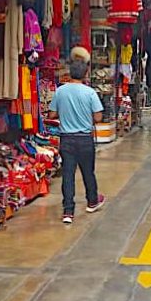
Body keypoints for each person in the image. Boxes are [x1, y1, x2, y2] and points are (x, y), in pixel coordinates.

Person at [49, 60, 106, 224]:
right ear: (86, 74)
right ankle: (92, 201)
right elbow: (98, 117)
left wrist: (65, 115)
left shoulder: (60, 92)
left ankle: (68, 211)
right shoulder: (90, 93)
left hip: (66, 139)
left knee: (68, 175)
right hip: (85, 139)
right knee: (88, 172)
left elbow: (52, 115)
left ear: (69, 73)